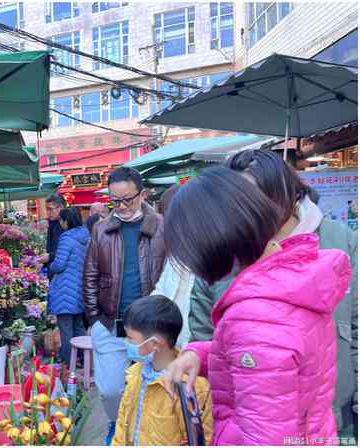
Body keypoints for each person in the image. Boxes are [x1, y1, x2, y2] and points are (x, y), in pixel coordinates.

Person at [162, 166, 352, 445]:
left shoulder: (255, 315)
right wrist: (199, 355)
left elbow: (267, 437)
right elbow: (269, 359)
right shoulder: (289, 275)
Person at [83, 167, 166, 445]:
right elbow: (90, 273)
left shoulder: (162, 226)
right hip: (110, 323)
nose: (121, 207)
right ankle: (116, 423)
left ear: (142, 194)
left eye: (127, 200)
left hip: (151, 326)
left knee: (154, 387)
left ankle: (142, 433)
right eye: (114, 201)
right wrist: (94, 317)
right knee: (110, 389)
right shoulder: (101, 229)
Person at [113, 295, 213, 446]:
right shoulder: (134, 375)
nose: (125, 343)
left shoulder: (188, 388)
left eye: (130, 338)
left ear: (154, 344)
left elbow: (199, 440)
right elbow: (122, 425)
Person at [150, 184, 194, 348]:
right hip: (173, 342)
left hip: (195, 347)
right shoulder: (176, 252)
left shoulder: (212, 251)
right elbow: (162, 290)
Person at [47, 207, 88, 364]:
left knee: (66, 330)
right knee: (79, 327)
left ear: (66, 221)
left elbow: (59, 264)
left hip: (65, 289)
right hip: (79, 287)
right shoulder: (86, 236)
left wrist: (50, 266)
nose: (60, 224)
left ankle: (67, 363)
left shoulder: (66, 238)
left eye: (61, 221)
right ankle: (85, 359)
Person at [38, 194, 66, 274]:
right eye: (47, 209)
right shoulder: (53, 223)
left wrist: (49, 257)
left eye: (50, 209)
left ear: (60, 207)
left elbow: (67, 251)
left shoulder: (67, 225)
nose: (48, 212)